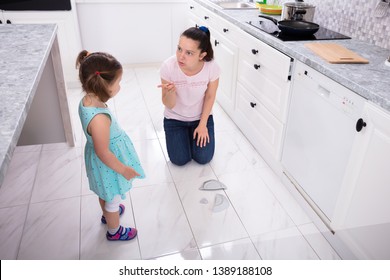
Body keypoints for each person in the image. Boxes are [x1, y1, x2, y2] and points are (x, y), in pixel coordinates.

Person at [76, 50, 145, 241]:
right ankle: (114, 231)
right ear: (104, 86)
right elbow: (103, 152)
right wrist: (124, 169)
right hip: (108, 164)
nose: (120, 87)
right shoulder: (99, 119)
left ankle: (108, 213)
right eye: (118, 83)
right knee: (112, 198)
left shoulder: (87, 101)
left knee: (104, 192)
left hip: (101, 161)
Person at [159, 26, 220, 166]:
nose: (181, 56)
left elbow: (210, 96)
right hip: (175, 119)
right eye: (179, 49)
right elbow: (169, 104)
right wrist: (170, 92)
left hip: (201, 118)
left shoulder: (212, 67)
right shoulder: (168, 67)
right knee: (179, 160)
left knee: (203, 158)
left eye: (189, 53)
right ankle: (184, 136)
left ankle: (192, 134)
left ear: (202, 55)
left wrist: (203, 124)